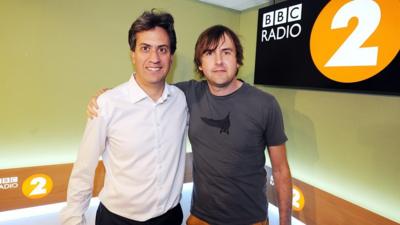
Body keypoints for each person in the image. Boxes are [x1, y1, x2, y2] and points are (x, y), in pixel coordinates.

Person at [88, 25, 292, 225]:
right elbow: (148, 89)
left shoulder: (265, 104)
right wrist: (109, 96)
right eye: (210, 53)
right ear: (200, 65)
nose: (219, 61)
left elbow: (281, 170)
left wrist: (285, 222)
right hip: (200, 218)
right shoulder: (186, 95)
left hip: (251, 219)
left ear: (237, 60)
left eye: (226, 52)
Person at [60, 9, 188, 225]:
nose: (154, 58)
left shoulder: (182, 101)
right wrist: (73, 219)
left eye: (162, 49)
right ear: (133, 54)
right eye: (145, 48)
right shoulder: (107, 104)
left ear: (171, 56)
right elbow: (84, 168)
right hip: (117, 220)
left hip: (170, 218)